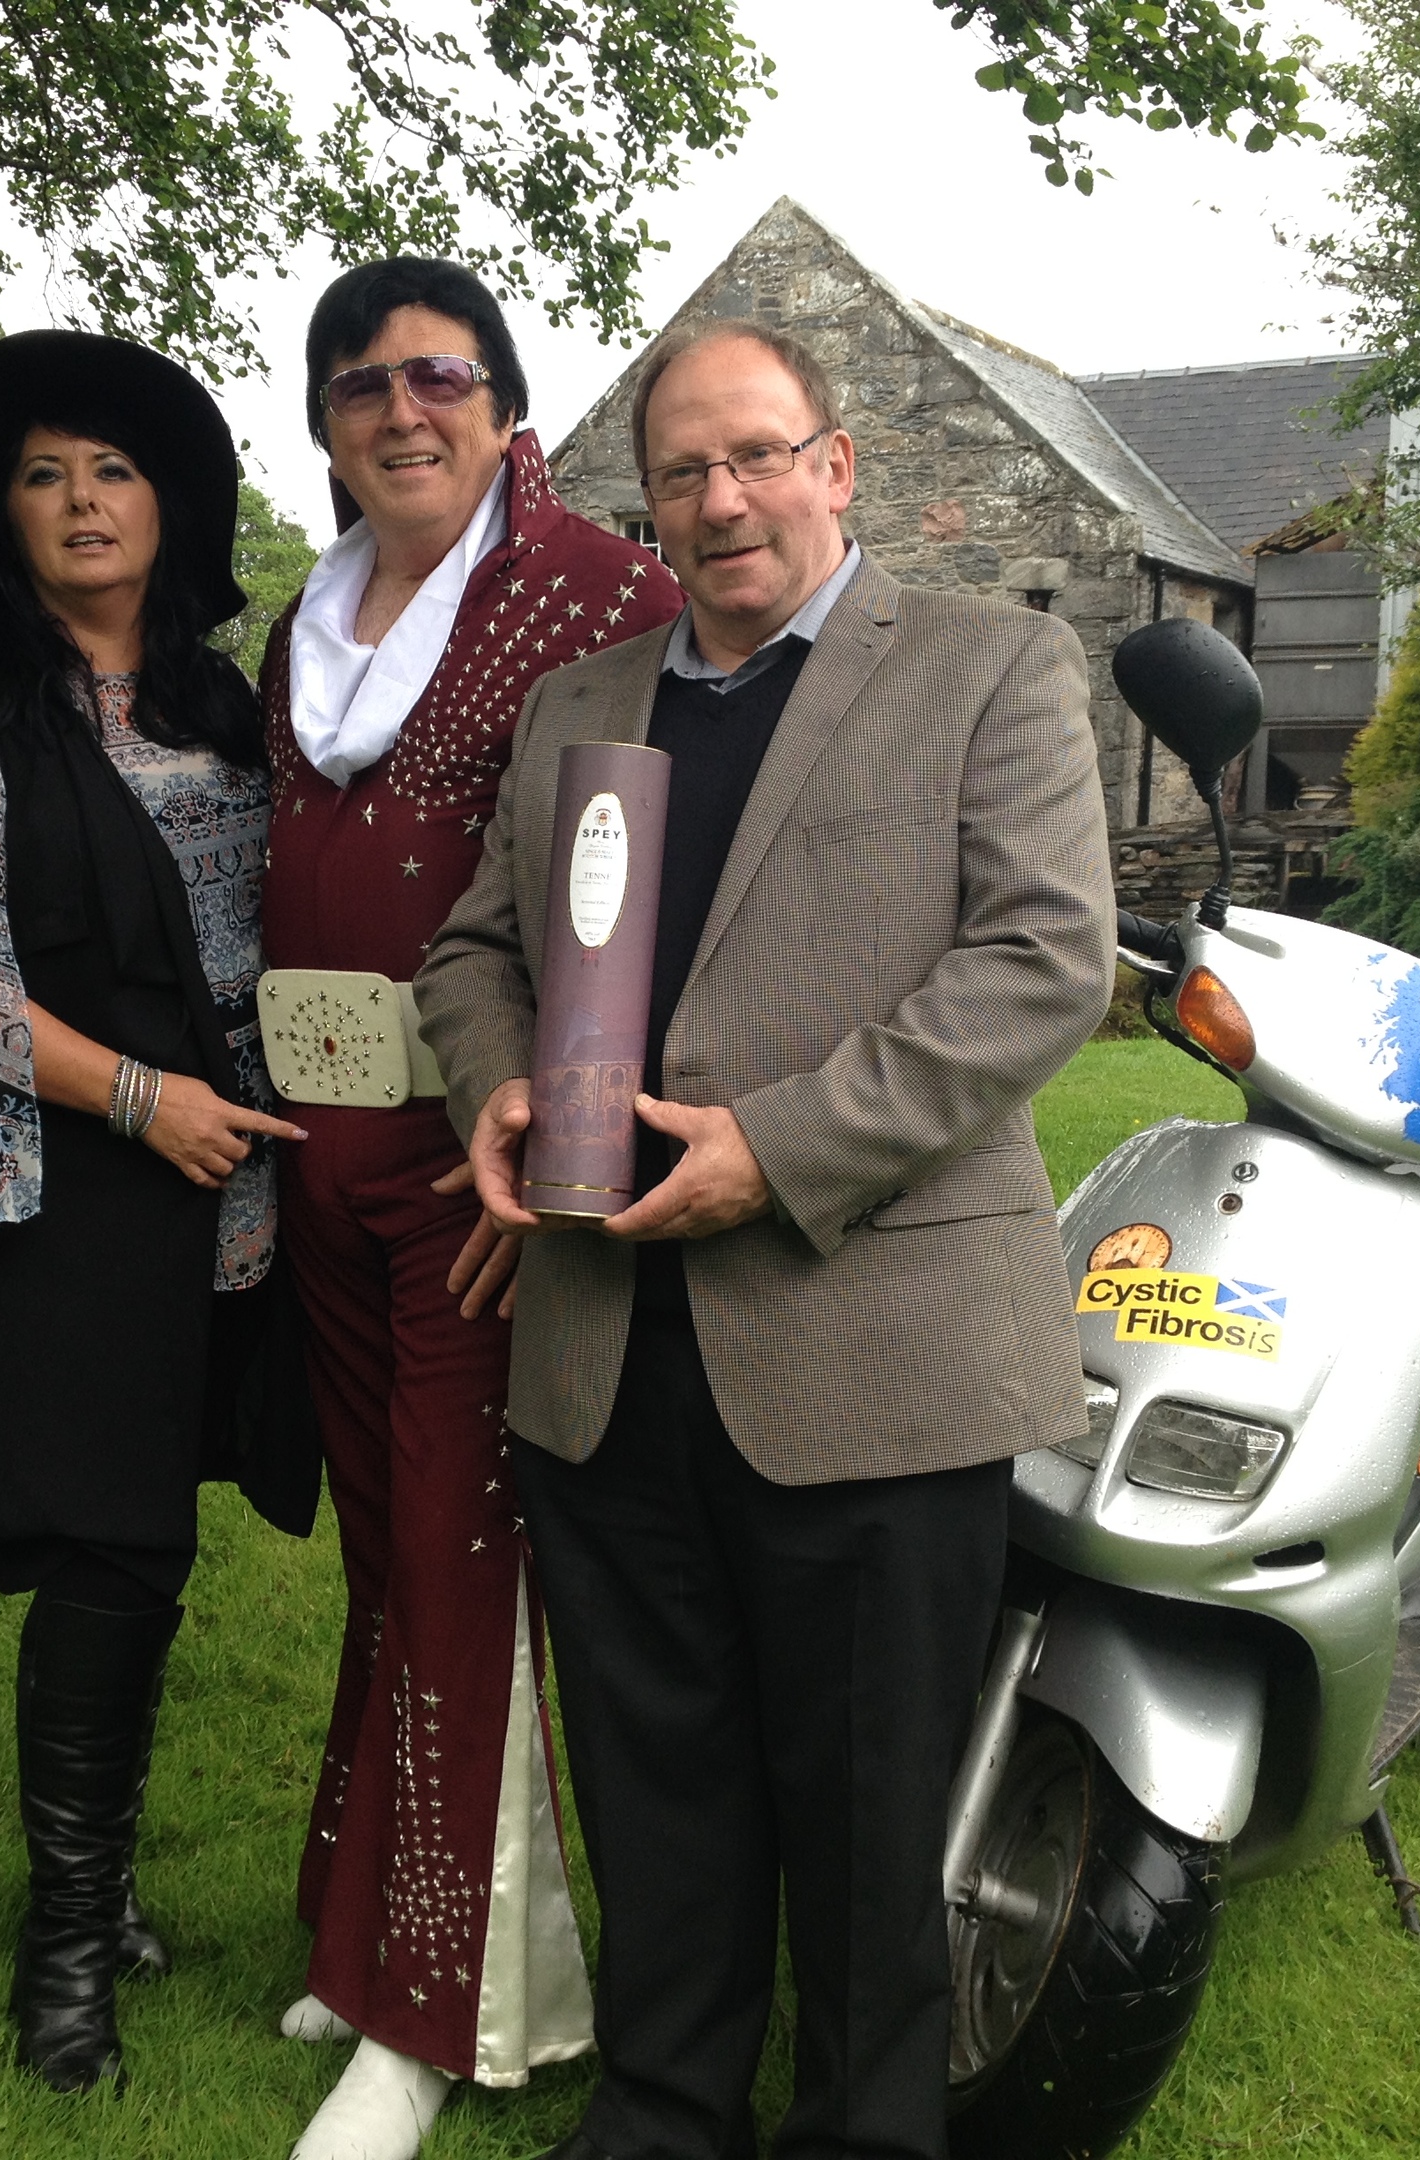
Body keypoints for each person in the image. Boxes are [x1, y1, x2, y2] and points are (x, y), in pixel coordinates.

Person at [415, 319, 1115, 2160]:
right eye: (682, 472)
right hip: (603, 1336)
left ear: (836, 464)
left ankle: (869, 2132)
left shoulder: (992, 665)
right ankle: (663, 2110)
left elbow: (1043, 963)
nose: (721, 503)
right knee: (657, 1777)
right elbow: (476, 952)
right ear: (642, 500)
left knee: (872, 1802)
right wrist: (493, 1082)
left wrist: (778, 1152)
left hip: (868, 1336)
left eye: (755, 457)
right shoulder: (584, 700)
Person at [0, 330, 319, 2096]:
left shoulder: (230, 710)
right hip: (63, 1201)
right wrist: (142, 1096)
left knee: (160, 1548)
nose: (81, 502)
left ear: (165, 508)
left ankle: (104, 1888)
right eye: (43, 477)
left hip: (234, 1200)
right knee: (105, 1558)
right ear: (7, 522)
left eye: (111, 470)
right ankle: (67, 1955)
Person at [253, 259, 681, 2160]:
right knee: (384, 1560)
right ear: (328, 426)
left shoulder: (604, 592)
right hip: (322, 1153)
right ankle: (367, 1939)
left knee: (459, 1559)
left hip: (485, 1172)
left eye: (440, 376)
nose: (397, 411)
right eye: (360, 386)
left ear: (509, 407)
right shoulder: (310, 619)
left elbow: (642, 891)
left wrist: (570, 1153)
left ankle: (439, 2017)